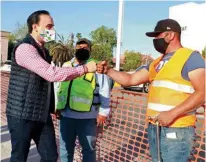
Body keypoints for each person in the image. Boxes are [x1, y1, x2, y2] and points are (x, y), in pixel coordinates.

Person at [97, 19, 205, 162]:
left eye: (157, 35)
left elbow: (202, 93)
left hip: (178, 130)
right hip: (155, 128)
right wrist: (109, 71)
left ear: (170, 35)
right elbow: (130, 80)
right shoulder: (157, 63)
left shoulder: (191, 58)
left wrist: (172, 114)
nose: (155, 40)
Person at [6, 10, 96, 162]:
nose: (52, 31)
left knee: (50, 156)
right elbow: (51, 74)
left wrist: (53, 106)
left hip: (41, 114)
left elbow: (46, 83)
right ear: (35, 27)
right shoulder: (25, 49)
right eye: (48, 26)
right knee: (19, 157)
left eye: (53, 27)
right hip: (21, 114)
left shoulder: (44, 51)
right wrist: (85, 69)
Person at [56, 38, 111, 162]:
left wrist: (103, 113)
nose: (81, 50)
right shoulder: (66, 65)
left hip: (88, 118)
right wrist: (58, 107)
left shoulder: (97, 67)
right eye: (79, 47)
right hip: (66, 116)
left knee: (88, 149)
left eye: (85, 48)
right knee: (65, 149)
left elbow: (104, 91)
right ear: (75, 49)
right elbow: (59, 88)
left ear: (90, 50)